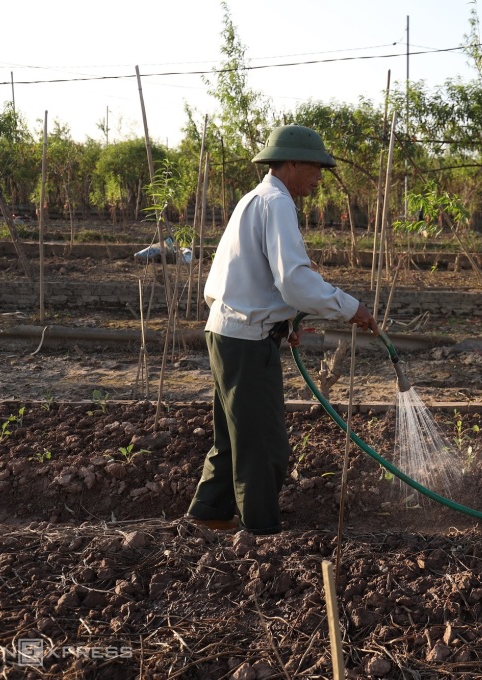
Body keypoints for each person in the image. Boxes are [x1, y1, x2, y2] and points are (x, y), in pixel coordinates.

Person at [185, 125, 379, 535]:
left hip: (229, 332)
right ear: (290, 163)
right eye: (315, 166)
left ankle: (209, 516)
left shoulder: (255, 199)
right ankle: (261, 534)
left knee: (233, 440)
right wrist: (351, 308)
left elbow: (247, 276)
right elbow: (294, 280)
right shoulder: (277, 203)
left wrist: (281, 320)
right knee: (264, 447)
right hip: (244, 340)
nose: (320, 176)